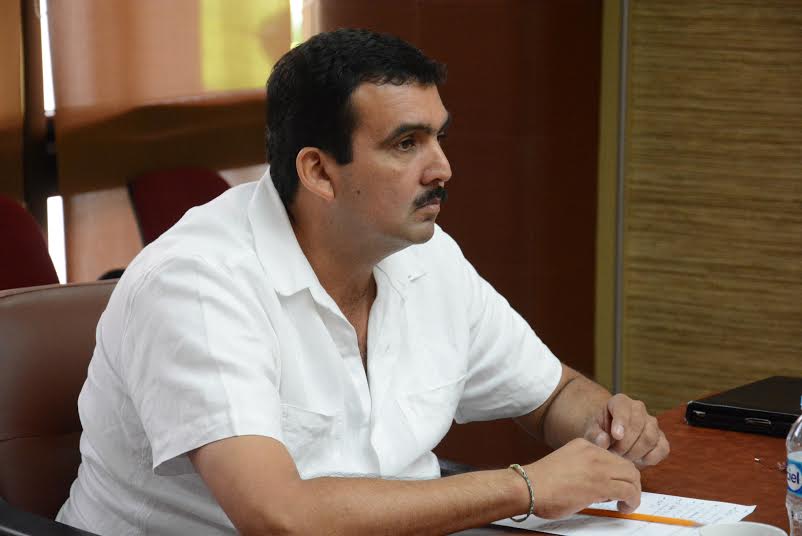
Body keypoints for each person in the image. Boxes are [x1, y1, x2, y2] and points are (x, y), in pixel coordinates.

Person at [57, 28, 669, 535]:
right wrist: (525, 487)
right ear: (319, 171)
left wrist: (607, 425)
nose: (442, 168)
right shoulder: (197, 282)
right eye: (406, 144)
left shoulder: (427, 257)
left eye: (438, 137)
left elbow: (553, 395)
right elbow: (278, 516)